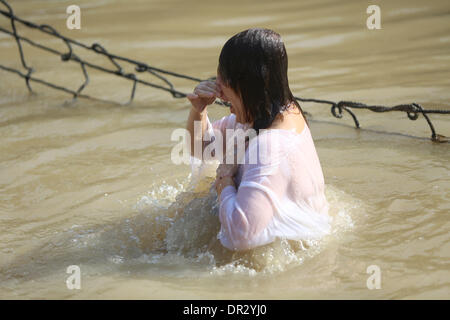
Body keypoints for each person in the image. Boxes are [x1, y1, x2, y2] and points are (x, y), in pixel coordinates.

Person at [186, 28, 331, 251]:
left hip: (288, 253)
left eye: (223, 83)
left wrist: (224, 179)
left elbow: (241, 236)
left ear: (245, 85)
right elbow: (201, 149)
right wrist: (199, 110)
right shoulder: (270, 113)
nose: (220, 94)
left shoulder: (271, 145)